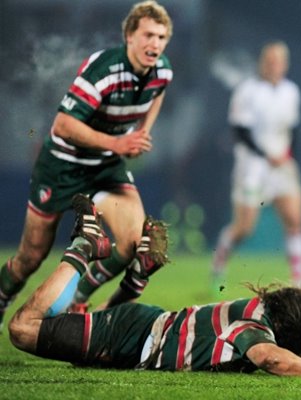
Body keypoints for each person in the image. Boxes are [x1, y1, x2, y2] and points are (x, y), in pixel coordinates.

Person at [8, 194, 301, 381]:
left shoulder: (265, 312)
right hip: (132, 336)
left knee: (69, 317)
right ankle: (83, 248)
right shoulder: (253, 332)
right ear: (291, 333)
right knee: (24, 329)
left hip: (141, 328)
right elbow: (274, 360)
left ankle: (136, 276)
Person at [0, 0, 174, 329]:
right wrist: (118, 142)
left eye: (162, 37)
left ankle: (76, 301)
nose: (155, 44)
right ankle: (1, 296)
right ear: (129, 36)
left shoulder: (162, 70)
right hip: (62, 165)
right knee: (31, 257)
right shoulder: (104, 69)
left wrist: (143, 131)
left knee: (135, 242)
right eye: (148, 35)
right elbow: (63, 125)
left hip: (106, 166)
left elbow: (159, 92)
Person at [211, 41, 301, 291]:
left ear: (285, 65)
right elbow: (240, 131)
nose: (274, 66)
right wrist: (267, 154)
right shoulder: (247, 90)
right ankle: (219, 262)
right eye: (270, 61)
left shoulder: (291, 91)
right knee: (245, 227)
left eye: (279, 61)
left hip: (282, 164)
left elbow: (293, 129)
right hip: (253, 167)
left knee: (295, 219)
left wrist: (290, 157)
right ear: (262, 63)